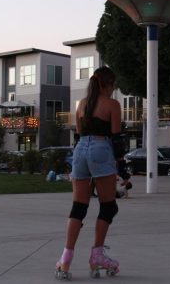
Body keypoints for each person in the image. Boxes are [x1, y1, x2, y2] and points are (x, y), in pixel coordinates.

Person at [55, 66, 123, 280]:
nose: (114, 90)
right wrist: (122, 168)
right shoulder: (112, 104)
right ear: (107, 84)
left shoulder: (82, 105)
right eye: (113, 86)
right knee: (108, 207)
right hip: (101, 149)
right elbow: (117, 139)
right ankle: (97, 256)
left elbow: (80, 134)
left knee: (78, 207)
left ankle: (65, 261)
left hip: (80, 150)